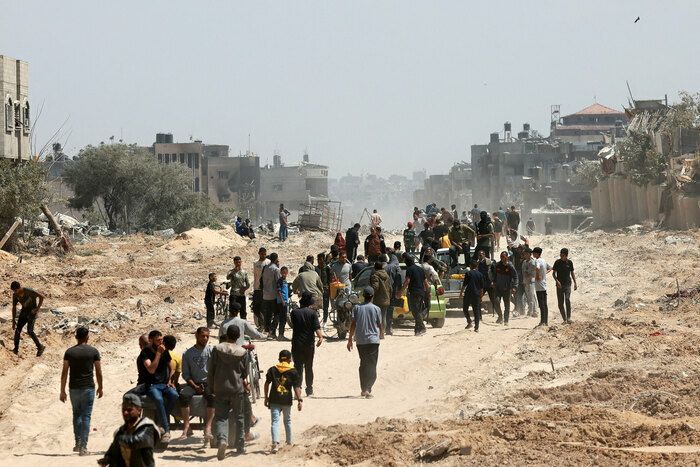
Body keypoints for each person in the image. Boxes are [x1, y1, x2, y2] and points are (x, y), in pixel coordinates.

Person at [60, 326, 103, 455]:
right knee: (86, 416)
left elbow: (64, 372)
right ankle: (84, 447)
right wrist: (101, 386)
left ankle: (77, 443)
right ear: (87, 337)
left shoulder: (69, 352)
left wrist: (62, 390)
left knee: (76, 414)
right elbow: (98, 371)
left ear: (76, 337)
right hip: (88, 387)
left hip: (74, 388)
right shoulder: (94, 351)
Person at [209, 325, 248, 459]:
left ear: (226, 334)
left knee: (221, 417)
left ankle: (222, 440)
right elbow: (245, 372)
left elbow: (211, 369)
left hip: (220, 388)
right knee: (239, 417)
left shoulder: (217, 349)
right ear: (238, 336)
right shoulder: (242, 352)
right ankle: (240, 444)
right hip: (237, 389)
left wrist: (211, 387)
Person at [97, 393, 160, 467]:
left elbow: (136, 442)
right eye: (123, 409)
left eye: (129, 410)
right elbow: (113, 450)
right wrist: (107, 458)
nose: (125, 413)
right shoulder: (121, 431)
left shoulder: (147, 427)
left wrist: (119, 439)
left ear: (139, 410)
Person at [138, 330, 178, 443]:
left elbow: (172, 367)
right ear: (151, 340)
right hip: (152, 385)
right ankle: (166, 431)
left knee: (174, 395)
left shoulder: (164, 350)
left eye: (161, 339)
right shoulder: (145, 352)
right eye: (158, 340)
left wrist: (170, 380)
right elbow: (151, 370)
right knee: (159, 399)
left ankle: (161, 423)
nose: (161, 342)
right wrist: (158, 354)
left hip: (164, 384)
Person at [179, 327, 215, 441]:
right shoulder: (187, 353)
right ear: (197, 336)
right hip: (193, 384)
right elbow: (185, 374)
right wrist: (194, 386)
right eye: (203, 336)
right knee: (183, 396)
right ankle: (187, 426)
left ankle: (208, 427)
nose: (205, 338)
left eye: (207, 336)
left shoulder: (211, 351)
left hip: (208, 383)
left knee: (212, 397)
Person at [346, 287, 383, 398]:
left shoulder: (357, 308)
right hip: (373, 341)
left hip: (361, 341)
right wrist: (382, 334)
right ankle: (367, 388)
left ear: (363, 296)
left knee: (363, 363)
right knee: (372, 365)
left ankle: (364, 388)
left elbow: (353, 324)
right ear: (372, 296)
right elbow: (380, 324)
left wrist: (349, 339)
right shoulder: (376, 309)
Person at [264, 349, 303, 453]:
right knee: (287, 421)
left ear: (279, 359)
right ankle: (289, 442)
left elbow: (267, 383)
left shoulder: (272, 369)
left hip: (274, 399)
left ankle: (275, 444)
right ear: (290, 360)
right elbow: (296, 387)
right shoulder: (293, 371)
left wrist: (266, 397)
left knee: (275, 422)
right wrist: (299, 400)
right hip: (286, 400)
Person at [290, 292, 324, 397]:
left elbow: (293, 325)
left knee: (298, 367)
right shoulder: (313, 313)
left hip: (297, 343)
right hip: (309, 344)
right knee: (309, 367)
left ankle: (297, 389)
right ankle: (309, 390)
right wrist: (320, 337)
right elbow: (316, 328)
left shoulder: (294, 313)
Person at [10, 281, 46, 356]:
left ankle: (40, 347)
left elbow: (41, 297)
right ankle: (15, 349)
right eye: (13, 291)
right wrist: (13, 320)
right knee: (17, 331)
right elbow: (14, 307)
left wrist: (37, 309)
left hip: (32, 313)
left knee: (30, 331)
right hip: (24, 312)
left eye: (15, 290)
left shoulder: (28, 291)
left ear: (19, 288)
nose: (15, 292)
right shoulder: (15, 295)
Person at [402, 256, 430, 336]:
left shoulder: (409, 269)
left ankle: (422, 327)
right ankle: (417, 330)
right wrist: (428, 292)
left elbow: (407, 281)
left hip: (414, 293)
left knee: (415, 311)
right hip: (421, 293)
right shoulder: (420, 269)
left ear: (407, 262)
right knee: (417, 311)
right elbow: (425, 282)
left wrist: (401, 290)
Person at [492, 251, 519, 325]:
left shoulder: (510, 266)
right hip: (498, 288)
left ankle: (506, 320)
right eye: (501, 257)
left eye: (503, 257)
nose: (502, 258)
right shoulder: (497, 265)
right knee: (496, 301)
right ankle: (500, 316)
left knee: (507, 305)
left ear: (507, 257)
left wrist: (515, 287)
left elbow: (516, 277)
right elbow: (494, 275)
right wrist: (493, 282)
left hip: (507, 288)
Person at [553, 248, 577, 324]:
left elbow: (572, 273)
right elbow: (553, 273)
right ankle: (564, 319)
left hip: (567, 284)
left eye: (562, 255)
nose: (561, 256)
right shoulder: (557, 262)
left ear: (566, 255)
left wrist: (575, 283)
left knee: (567, 299)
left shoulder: (569, 262)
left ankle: (569, 318)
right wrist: (557, 281)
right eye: (560, 254)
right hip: (559, 285)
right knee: (560, 303)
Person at [459, 262, 485, 332]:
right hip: (476, 294)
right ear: (477, 266)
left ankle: (469, 321)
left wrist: (461, 293)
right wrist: (481, 296)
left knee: (465, 308)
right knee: (476, 311)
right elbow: (482, 287)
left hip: (468, 293)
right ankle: (476, 327)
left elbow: (464, 285)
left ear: (470, 266)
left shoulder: (468, 273)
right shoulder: (480, 274)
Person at [369, 262, 391, 339]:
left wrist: (369, 293)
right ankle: (382, 333)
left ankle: (377, 333)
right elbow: (390, 287)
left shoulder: (375, 276)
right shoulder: (387, 275)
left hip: (377, 299)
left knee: (376, 317)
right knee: (383, 316)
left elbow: (375, 287)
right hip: (386, 298)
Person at [262, 253, 282, 337]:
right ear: (276, 259)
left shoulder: (265, 267)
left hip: (265, 294)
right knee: (277, 313)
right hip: (274, 295)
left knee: (268, 314)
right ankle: (272, 331)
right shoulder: (276, 269)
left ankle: (267, 330)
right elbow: (278, 282)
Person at [532, 247, 552, 327]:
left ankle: (542, 321)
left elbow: (537, 268)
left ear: (537, 253)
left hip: (539, 285)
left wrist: (538, 276)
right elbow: (550, 268)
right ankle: (545, 321)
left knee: (541, 304)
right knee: (545, 304)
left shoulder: (537, 261)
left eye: (534, 253)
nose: (533, 254)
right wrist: (544, 274)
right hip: (544, 284)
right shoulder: (543, 260)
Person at [227, 256, 250, 320]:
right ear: (234, 263)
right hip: (233, 294)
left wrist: (244, 289)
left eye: (239, 262)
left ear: (241, 262)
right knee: (233, 310)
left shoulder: (244, 272)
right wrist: (234, 271)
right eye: (236, 262)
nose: (238, 264)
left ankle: (244, 324)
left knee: (243, 311)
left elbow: (248, 284)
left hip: (241, 294)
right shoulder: (231, 271)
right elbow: (228, 277)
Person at [384, 253, 402, 336]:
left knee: (383, 310)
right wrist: (399, 290)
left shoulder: (385, 266)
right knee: (390, 310)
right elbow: (399, 278)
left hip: (384, 292)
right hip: (392, 292)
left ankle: (382, 328)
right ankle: (388, 328)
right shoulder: (396, 267)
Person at [252, 248, 271, 330]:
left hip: (265, 289)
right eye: (262, 254)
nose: (263, 255)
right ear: (259, 253)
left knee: (264, 308)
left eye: (264, 254)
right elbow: (255, 276)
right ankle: (262, 324)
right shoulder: (255, 263)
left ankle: (263, 326)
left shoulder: (268, 262)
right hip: (257, 288)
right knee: (255, 309)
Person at [521, 248, 539, 318]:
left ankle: (533, 311)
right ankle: (532, 311)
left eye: (526, 254)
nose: (524, 255)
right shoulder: (524, 262)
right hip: (526, 281)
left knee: (532, 297)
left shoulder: (533, 262)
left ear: (529, 254)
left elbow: (531, 272)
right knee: (528, 297)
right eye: (524, 254)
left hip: (531, 281)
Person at [315, 253, 332, 324]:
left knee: (325, 306)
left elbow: (330, 280)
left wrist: (329, 289)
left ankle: (325, 320)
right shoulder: (315, 269)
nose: (319, 261)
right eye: (318, 260)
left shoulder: (327, 268)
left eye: (321, 259)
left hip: (325, 289)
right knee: (316, 306)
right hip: (317, 290)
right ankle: (316, 321)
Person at [276, 266, 290, 340]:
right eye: (283, 272)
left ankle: (281, 334)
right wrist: (282, 301)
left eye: (285, 272)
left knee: (283, 319)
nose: (284, 274)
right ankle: (281, 335)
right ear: (281, 273)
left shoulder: (285, 281)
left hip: (285, 301)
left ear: (287, 273)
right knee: (282, 319)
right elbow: (279, 291)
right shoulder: (280, 281)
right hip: (282, 302)